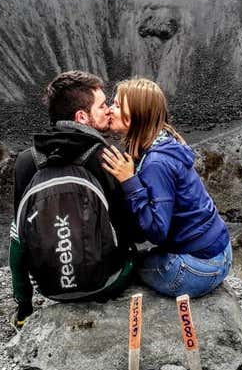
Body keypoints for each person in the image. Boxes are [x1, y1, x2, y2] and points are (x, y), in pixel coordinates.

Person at [8, 71, 142, 330]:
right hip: (107, 284)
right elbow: (131, 231)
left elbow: (18, 240)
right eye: (101, 106)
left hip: (51, 290)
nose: (108, 110)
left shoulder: (27, 161)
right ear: (82, 117)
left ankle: (22, 314)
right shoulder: (107, 158)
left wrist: (24, 305)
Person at [101, 78, 231, 298]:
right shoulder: (163, 142)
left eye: (118, 105)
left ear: (137, 115)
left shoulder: (156, 163)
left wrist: (129, 182)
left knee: (129, 267)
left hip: (199, 267)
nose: (110, 110)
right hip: (218, 253)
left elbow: (157, 232)